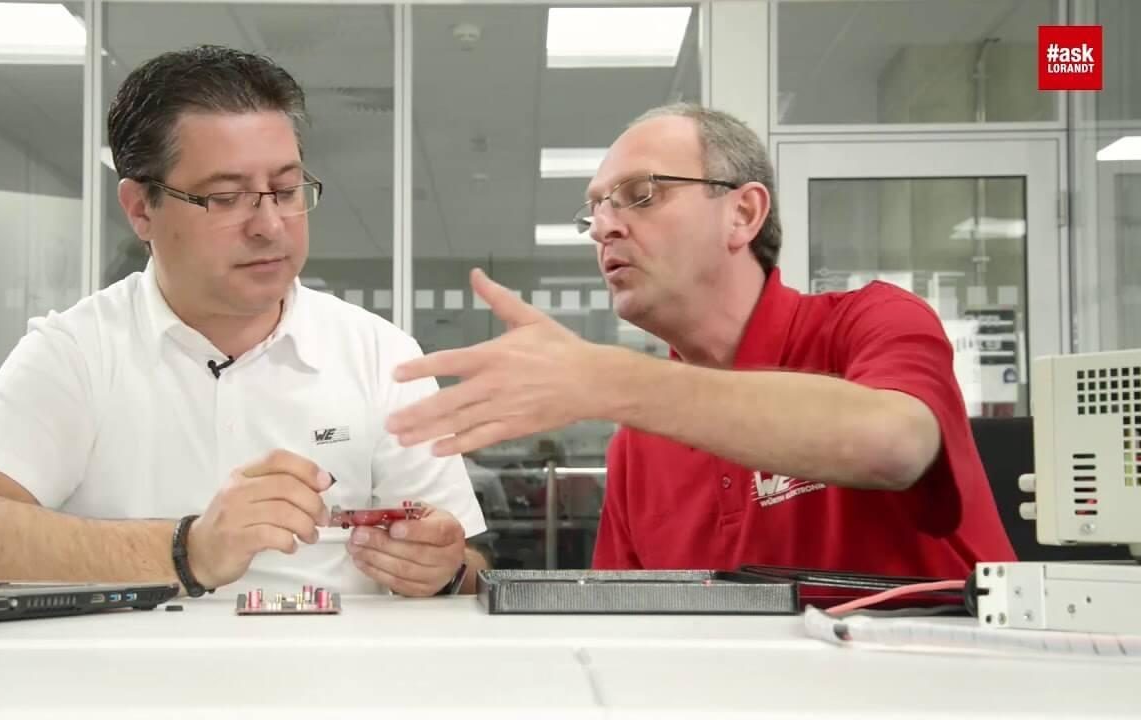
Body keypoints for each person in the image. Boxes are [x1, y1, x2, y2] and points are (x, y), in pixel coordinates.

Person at [0, 45, 486, 598]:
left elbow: (464, 571)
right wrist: (187, 550)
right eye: (226, 198)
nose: (270, 226)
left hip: (334, 654)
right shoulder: (79, 351)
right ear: (141, 209)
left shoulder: (381, 354)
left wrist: (444, 571)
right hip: (130, 656)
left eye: (286, 191)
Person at [386, 103, 1016, 579]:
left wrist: (605, 379)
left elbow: (896, 444)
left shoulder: (871, 321)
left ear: (743, 214)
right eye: (594, 210)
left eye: (639, 194)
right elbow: (626, 625)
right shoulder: (638, 443)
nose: (603, 226)